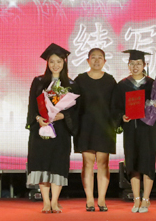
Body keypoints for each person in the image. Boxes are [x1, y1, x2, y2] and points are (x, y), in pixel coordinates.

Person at [112, 49, 156, 213]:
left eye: (138, 63)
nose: (135, 66)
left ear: (144, 65)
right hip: (131, 130)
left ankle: (146, 199)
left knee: (147, 163)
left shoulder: (153, 85)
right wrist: (122, 117)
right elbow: (115, 109)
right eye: (132, 64)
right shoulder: (122, 85)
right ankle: (136, 199)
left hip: (148, 130)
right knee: (133, 164)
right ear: (128, 65)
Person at [26, 43, 77, 214]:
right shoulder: (39, 82)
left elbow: (76, 110)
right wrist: (38, 118)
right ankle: (46, 202)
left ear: (64, 63)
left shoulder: (70, 84)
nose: (55, 65)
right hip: (41, 130)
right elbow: (32, 105)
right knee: (42, 164)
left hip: (61, 131)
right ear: (47, 63)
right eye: (52, 61)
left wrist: (62, 116)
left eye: (59, 62)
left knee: (58, 164)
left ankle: (55, 201)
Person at [74, 48, 117, 212]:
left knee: (103, 163)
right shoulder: (80, 80)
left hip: (105, 128)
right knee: (87, 163)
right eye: (93, 58)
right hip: (85, 127)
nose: (97, 61)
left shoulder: (110, 80)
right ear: (88, 61)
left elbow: (116, 104)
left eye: (100, 58)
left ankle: (102, 199)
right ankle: (90, 199)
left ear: (105, 61)